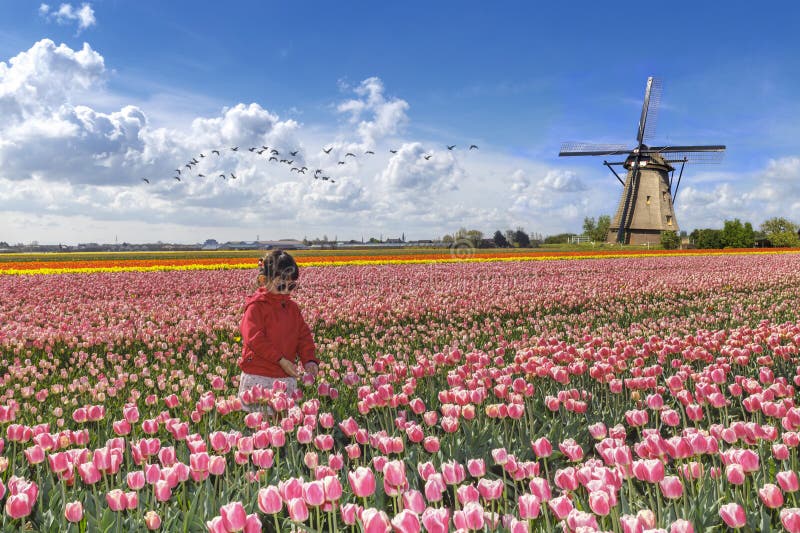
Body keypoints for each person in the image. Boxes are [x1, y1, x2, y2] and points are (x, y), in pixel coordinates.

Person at [237, 250, 318, 413]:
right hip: (260, 376)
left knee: (283, 426)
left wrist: (309, 360)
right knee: (260, 425)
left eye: (291, 286)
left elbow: (303, 336)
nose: (286, 291)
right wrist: (280, 359)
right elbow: (255, 339)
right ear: (263, 280)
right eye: (281, 285)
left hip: (285, 376)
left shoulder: (292, 308)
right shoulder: (255, 307)